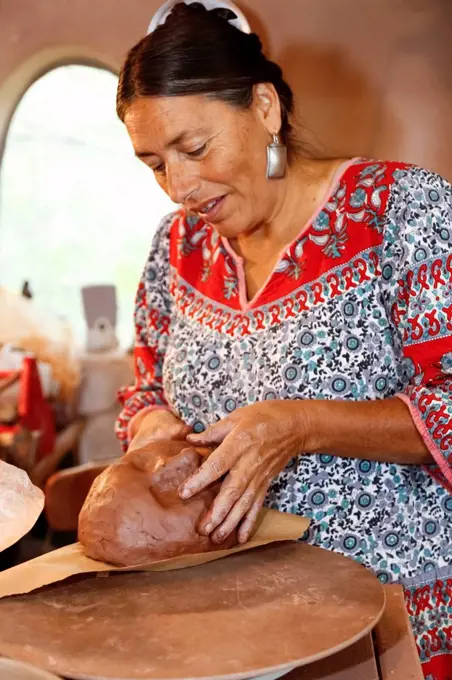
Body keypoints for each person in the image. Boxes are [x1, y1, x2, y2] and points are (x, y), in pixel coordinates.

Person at [115, 2, 452, 677]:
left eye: (195, 147)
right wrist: (155, 429)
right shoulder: (175, 249)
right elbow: (143, 386)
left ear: (264, 107)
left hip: (393, 616)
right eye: (154, 162)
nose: (178, 186)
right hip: (229, 612)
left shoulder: (401, 214)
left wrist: (297, 425)